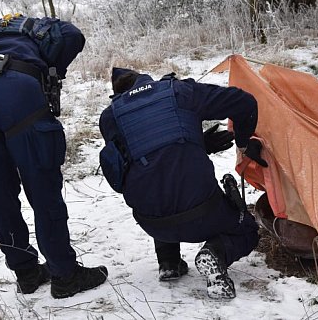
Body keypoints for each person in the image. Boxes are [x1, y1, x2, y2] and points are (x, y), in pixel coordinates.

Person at [0, 14, 108, 299]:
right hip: (20, 87)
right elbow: (73, 36)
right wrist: (54, 70)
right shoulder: (38, 25)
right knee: (42, 187)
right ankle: (65, 275)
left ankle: (26, 273)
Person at [98, 67, 267, 299]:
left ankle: (168, 262)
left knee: (153, 178)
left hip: (151, 222)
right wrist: (243, 142)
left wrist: (198, 143)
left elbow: (139, 162)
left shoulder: (111, 117)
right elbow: (245, 102)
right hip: (203, 214)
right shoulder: (179, 92)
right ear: (145, 80)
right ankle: (216, 253)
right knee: (247, 229)